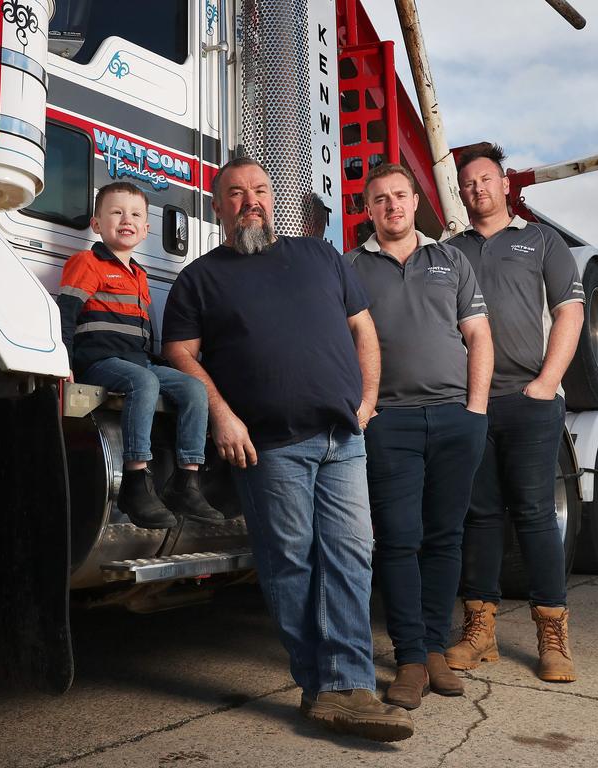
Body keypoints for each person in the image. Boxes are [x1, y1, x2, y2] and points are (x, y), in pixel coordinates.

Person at [162, 157, 413, 742]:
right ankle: (327, 686)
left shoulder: (319, 256)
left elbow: (363, 329)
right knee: (290, 564)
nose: (251, 200)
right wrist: (222, 414)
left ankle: (344, 686)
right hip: (269, 447)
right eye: (236, 193)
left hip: (341, 438)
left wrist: (369, 399)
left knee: (352, 555)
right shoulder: (201, 278)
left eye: (260, 190)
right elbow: (180, 353)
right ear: (218, 205)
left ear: (274, 199)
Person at [346, 163, 493, 709]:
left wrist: (476, 411)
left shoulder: (450, 259)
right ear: (368, 208)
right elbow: (343, 345)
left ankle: (434, 649)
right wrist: (365, 411)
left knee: (445, 537)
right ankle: (410, 658)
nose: (392, 206)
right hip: (391, 422)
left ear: (414, 202)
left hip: (456, 417)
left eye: (400, 196)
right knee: (400, 539)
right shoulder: (351, 267)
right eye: (380, 199)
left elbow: (478, 336)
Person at [445, 143, 585, 683]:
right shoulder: (450, 251)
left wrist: (547, 384)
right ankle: (479, 631)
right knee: (477, 517)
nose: (477, 189)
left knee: (532, 515)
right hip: (470, 403)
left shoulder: (540, 241)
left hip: (529, 401)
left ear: (505, 184)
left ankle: (553, 635)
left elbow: (569, 312)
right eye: (468, 184)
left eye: (486, 180)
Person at [58, 181, 223, 529]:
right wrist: (63, 361)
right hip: (100, 362)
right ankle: (135, 481)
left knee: (194, 388)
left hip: (136, 362)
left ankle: (185, 481)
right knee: (143, 382)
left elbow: (146, 333)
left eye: (135, 214)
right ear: (97, 224)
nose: (126, 219)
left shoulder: (140, 276)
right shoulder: (87, 263)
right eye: (116, 212)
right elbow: (66, 313)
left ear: (146, 228)